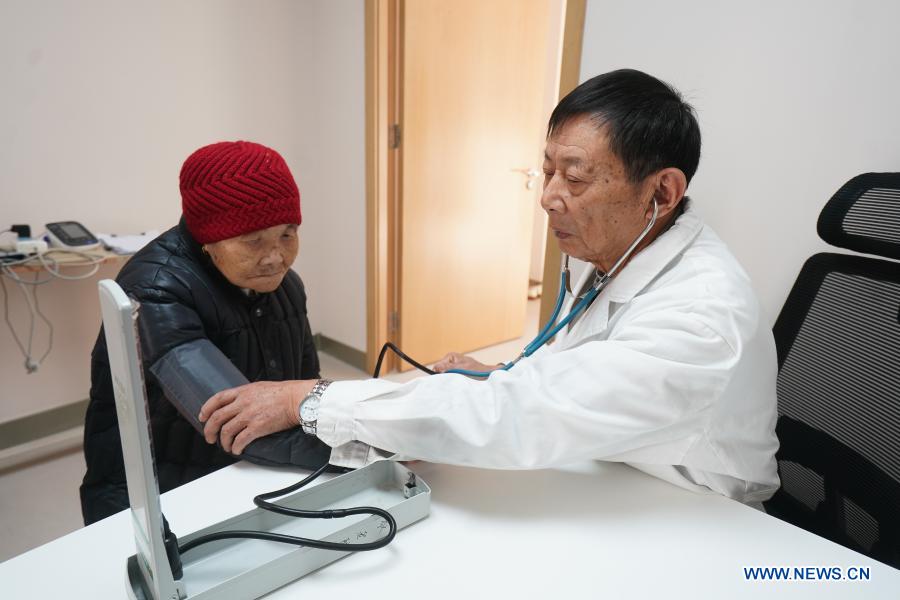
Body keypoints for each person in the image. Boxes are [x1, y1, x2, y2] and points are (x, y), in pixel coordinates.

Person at [199, 70, 781, 506]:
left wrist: (312, 397)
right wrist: (496, 376)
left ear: (661, 192)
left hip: (696, 517)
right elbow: (564, 375)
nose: (549, 195)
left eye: (574, 176)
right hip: (612, 471)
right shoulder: (614, 249)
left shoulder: (703, 315)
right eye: (547, 168)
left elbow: (523, 417)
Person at [80, 141, 331, 525]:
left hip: (244, 477)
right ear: (208, 239)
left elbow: (305, 393)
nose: (275, 256)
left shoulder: (285, 286)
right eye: (253, 240)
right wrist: (373, 439)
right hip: (161, 499)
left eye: (287, 233)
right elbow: (244, 426)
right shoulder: (154, 289)